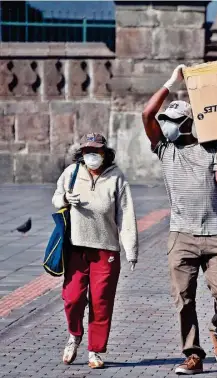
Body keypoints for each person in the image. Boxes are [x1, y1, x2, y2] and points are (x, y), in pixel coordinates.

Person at [142, 66, 217, 375]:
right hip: (181, 235)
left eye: (172, 121)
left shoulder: (210, 149)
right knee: (184, 300)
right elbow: (147, 114)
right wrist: (172, 82)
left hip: (216, 235)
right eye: (165, 120)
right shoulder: (165, 149)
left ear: (187, 123)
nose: (166, 125)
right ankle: (193, 354)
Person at [52, 133, 138, 369]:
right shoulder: (71, 173)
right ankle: (74, 335)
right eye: (88, 151)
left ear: (105, 153)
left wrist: (131, 249)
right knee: (72, 298)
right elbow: (56, 197)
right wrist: (65, 199)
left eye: (97, 151)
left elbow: (126, 214)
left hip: (106, 249)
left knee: (101, 301)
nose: (92, 155)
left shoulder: (116, 177)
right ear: (81, 153)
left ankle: (95, 350)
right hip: (76, 247)